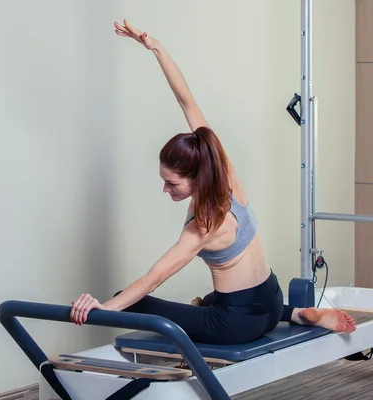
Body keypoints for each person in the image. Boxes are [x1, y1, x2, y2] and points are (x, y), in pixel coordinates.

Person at [69, 19, 356, 345]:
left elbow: (154, 279)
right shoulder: (226, 172)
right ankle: (298, 313)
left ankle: (277, 314)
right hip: (271, 301)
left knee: (130, 297)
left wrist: (102, 308)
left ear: (196, 177)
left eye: (172, 184)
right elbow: (186, 101)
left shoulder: (203, 225)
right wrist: (156, 48)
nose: (165, 189)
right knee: (206, 300)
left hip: (236, 325)